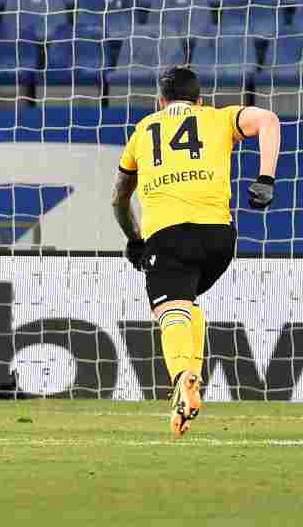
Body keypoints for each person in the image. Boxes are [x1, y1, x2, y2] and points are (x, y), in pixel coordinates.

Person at [112, 67, 280, 437]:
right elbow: (268, 119)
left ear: (160, 101)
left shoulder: (144, 130)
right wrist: (266, 179)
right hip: (220, 239)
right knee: (187, 304)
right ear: (200, 99)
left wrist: (134, 236)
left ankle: (182, 377)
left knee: (171, 311)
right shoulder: (219, 118)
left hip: (168, 237)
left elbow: (120, 196)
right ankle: (190, 387)